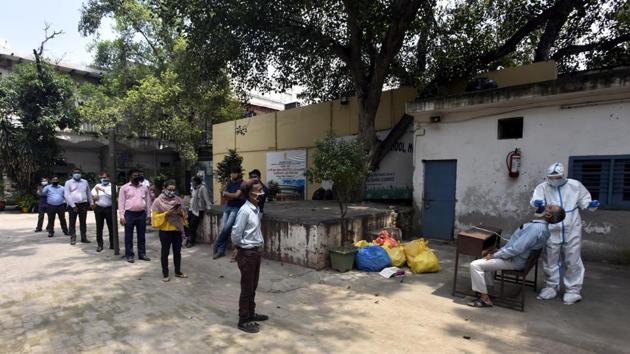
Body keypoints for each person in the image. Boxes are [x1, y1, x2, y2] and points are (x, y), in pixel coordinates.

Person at [468, 205, 566, 308]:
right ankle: (489, 291)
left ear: (548, 215)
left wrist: (495, 255)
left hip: (514, 261)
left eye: (549, 207)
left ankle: (485, 299)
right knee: (485, 261)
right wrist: (499, 253)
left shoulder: (536, 228)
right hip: (517, 258)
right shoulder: (543, 228)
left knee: (475, 265)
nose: (545, 205)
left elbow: (517, 249)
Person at [531, 162, 599, 305]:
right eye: (551, 177)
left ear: (563, 175)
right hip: (552, 225)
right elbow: (536, 200)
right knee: (550, 257)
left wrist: (590, 204)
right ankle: (551, 286)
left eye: (557, 177)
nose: (554, 180)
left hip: (572, 225)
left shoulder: (575, 185)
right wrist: (537, 203)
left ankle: (573, 290)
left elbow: (585, 200)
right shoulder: (543, 187)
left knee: (572, 257)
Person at [231, 181, 268, 333]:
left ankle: (251, 313)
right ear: (249, 194)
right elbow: (236, 234)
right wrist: (240, 248)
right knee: (247, 288)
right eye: (258, 191)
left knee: (253, 286)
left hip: (255, 253)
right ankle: (243, 319)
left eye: (261, 190)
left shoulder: (255, 208)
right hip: (247, 253)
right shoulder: (244, 211)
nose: (261, 193)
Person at [151, 180, 189, 282]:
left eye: (173, 190)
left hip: (176, 229)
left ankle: (178, 271)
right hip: (165, 230)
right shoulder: (157, 201)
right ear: (164, 188)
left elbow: (185, 214)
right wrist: (166, 214)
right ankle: (165, 274)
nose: (172, 192)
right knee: (165, 252)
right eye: (169, 189)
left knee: (177, 252)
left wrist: (180, 213)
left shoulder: (178, 200)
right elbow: (154, 217)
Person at [119, 169, 152, 263]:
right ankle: (129, 255)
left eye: (138, 175)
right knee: (128, 236)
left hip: (141, 214)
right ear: (130, 177)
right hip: (129, 214)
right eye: (134, 175)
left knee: (141, 236)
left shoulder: (144, 187)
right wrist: (121, 216)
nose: (136, 177)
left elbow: (148, 201)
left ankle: (142, 254)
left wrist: (149, 214)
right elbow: (121, 202)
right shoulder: (124, 188)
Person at [213, 166, 245, 259]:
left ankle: (217, 243)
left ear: (239, 173)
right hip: (228, 207)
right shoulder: (229, 183)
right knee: (225, 228)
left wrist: (228, 194)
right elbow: (226, 196)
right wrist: (230, 195)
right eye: (231, 172)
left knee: (227, 227)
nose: (232, 174)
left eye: (234, 172)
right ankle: (221, 250)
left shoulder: (242, 184)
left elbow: (236, 195)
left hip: (236, 208)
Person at [64, 168, 93, 245]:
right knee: (72, 222)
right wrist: (73, 205)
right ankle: (73, 237)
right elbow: (67, 194)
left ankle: (83, 237)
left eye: (78, 172)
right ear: (72, 174)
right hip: (73, 205)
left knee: (83, 222)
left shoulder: (85, 182)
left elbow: (88, 193)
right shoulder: (68, 182)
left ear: (81, 173)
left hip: (83, 204)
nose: (77, 174)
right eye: (75, 172)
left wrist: (91, 203)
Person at [186, 175, 212, 248]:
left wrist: (209, 207)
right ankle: (188, 238)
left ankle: (191, 241)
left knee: (193, 225)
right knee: (187, 223)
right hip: (192, 208)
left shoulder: (202, 188)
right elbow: (193, 198)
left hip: (199, 209)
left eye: (193, 181)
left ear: (197, 182)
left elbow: (206, 198)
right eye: (192, 181)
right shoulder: (193, 188)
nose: (192, 183)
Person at [91, 172, 114, 252]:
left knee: (111, 227)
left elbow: (113, 195)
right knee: (99, 227)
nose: (103, 179)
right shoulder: (97, 186)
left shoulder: (113, 186)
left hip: (109, 208)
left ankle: (112, 244)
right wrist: (95, 196)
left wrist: (102, 190)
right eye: (102, 178)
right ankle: (100, 245)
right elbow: (93, 196)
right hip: (99, 208)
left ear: (109, 178)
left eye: (105, 178)